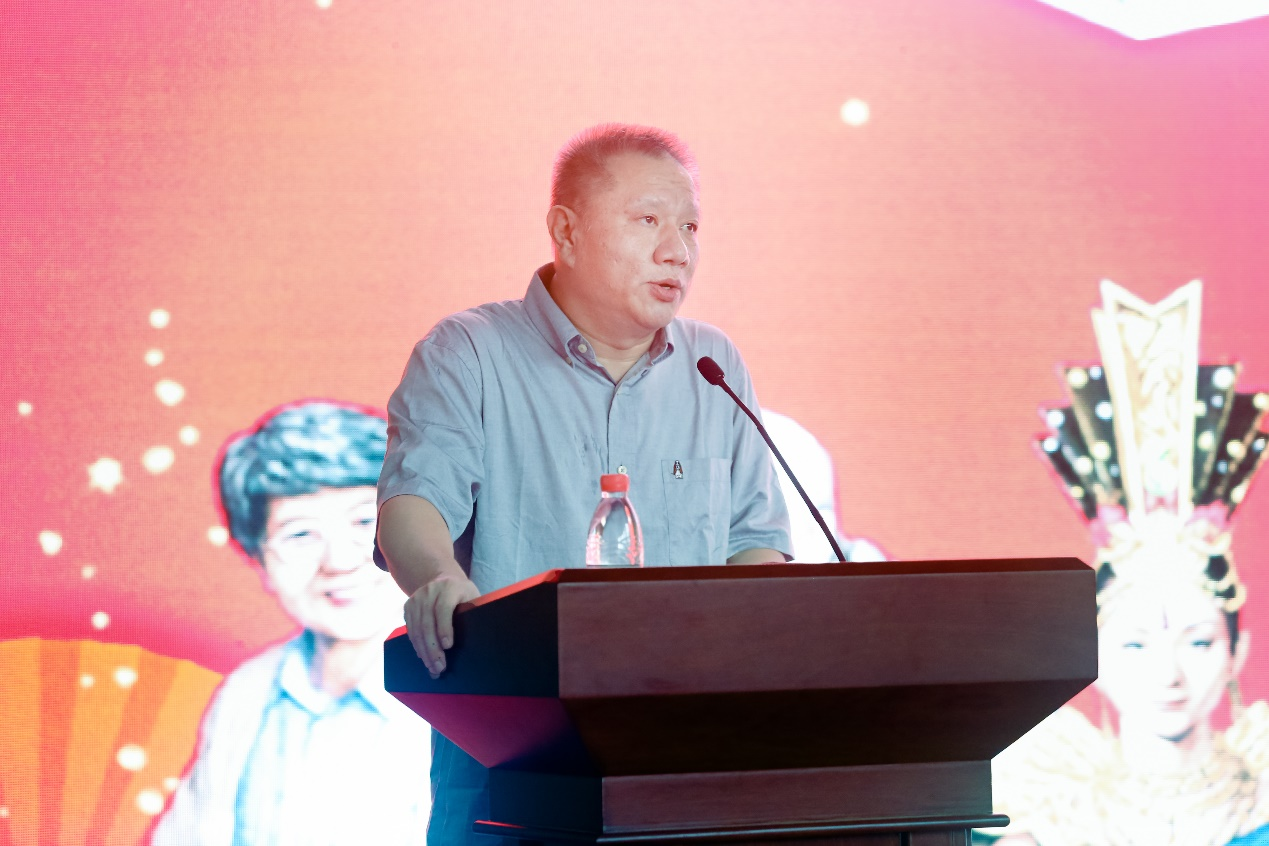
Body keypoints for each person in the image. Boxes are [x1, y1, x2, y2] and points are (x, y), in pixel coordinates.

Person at [375, 124, 792, 846]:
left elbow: (755, 543)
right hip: (514, 754)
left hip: (685, 758)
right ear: (566, 232)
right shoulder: (469, 351)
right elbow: (413, 502)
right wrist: (439, 579)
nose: (678, 250)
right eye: (648, 220)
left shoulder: (713, 365)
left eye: (690, 226)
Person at [982, 281, 1269, 846]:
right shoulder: (1041, 815)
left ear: (1237, 652)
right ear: (1093, 657)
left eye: (1198, 642)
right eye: (1135, 645)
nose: (1168, 675)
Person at [152, 401, 432, 846]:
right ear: (257, 558)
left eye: (365, 520)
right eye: (300, 534)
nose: (339, 561)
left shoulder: (475, 689)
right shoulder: (246, 692)